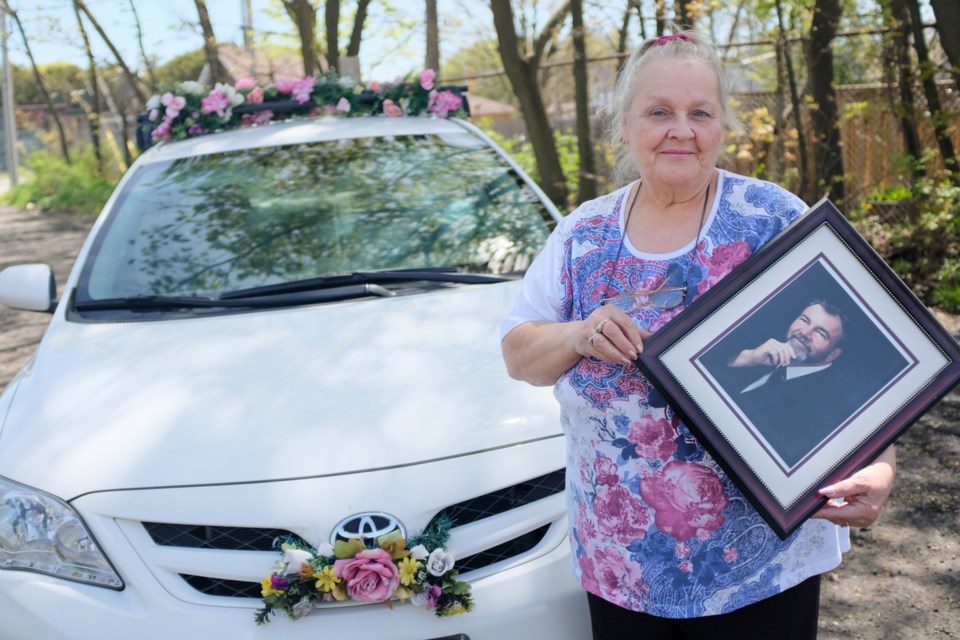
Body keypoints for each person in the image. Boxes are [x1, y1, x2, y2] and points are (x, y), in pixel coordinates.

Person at [500, 30, 896, 639]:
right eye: (659, 111)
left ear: (722, 125)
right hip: (624, 562)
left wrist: (879, 464)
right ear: (626, 123)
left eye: (699, 113)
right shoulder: (584, 235)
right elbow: (519, 353)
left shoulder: (773, 220)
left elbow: (867, 360)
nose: (680, 130)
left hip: (764, 559)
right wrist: (580, 333)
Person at [713, 300, 857, 467]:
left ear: (833, 354)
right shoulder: (760, 344)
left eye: (821, 333)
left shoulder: (831, 411)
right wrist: (746, 359)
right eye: (804, 320)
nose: (804, 332)